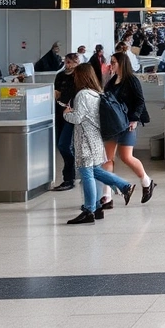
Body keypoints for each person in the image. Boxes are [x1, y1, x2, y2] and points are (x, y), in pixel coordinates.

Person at [63, 64, 136, 225]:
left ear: (81, 76)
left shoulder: (82, 95)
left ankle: (89, 210)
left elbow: (78, 118)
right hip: (96, 139)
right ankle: (120, 189)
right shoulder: (96, 93)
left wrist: (66, 113)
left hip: (85, 141)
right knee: (95, 171)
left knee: (87, 174)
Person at [101, 52, 156, 207]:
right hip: (112, 124)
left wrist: (135, 119)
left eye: (114, 62)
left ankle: (146, 181)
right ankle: (107, 196)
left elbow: (140, 101)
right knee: (108, 158)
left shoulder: (131, 80)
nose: (111, 65)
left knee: (126, 157)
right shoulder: (111, 82)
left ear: (122, 63)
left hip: (127, 123)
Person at [51, 53, 80, 192]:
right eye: (66, 62)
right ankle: (72, 173)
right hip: (60, 112)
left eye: (70, 62)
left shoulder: (80, 76)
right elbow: (56, 91)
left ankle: (69, 177)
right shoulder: (60, 76)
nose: (67, 65)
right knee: (61, 144)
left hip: (73, 114)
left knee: (65, 145)